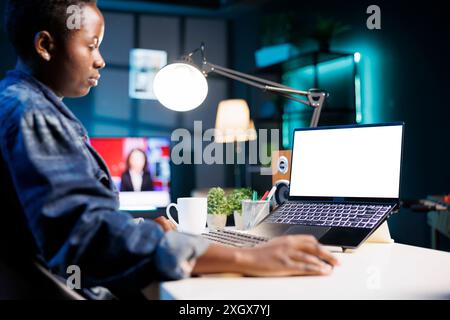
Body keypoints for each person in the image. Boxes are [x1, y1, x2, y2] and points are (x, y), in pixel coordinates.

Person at [0, 0, 339, 299]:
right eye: (91, 46)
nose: (101, 61)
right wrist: (249, 258)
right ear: (46, 45)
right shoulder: (32, 113)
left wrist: (136, 230)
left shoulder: (18, 102)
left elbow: (60, 221)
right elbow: (89, 237)